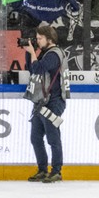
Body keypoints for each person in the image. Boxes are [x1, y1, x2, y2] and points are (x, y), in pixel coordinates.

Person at [25, 23, 67, 183]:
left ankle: (56, 170)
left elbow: (39, 68)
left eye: (39, 39)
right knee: (36, 137)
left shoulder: (54, 54)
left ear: (49, 39)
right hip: (41, 101)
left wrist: (33, 54)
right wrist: (30, 53)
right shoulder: (44, 53)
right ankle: (42, 169)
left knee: (52, 137)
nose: (37, 41)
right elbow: (32, 68)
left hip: (53, 101)